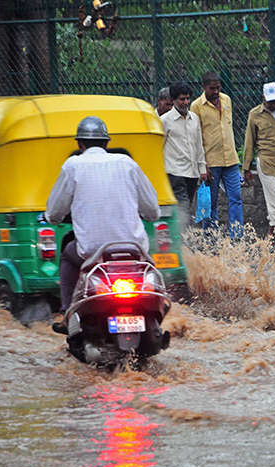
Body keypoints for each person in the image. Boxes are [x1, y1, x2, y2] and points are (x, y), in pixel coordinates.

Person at [45, 116, 160, 333]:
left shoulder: (73, 165)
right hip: (133, 252)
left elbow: (54, 213)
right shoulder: (127, 164)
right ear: (107, 143)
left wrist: (53, 217)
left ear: (80, 144)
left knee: (68, 255)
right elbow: (153, 210)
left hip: (91, 253)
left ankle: (67, 311)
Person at [242, 81, 275, 254]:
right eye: (271, 100)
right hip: (267, 163)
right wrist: (246, 168)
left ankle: (270, 236)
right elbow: (249, 142)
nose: (274, 104)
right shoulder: (255, 115)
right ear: (264, 98)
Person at [190, 71, 243, 239]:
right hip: (211, 162)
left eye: (218, 88)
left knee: (236, 198)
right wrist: (202, 164)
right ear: (204, 87)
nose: (216, 91)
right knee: (210, 202)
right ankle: (211, 237)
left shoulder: (226, 100)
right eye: (212, 88)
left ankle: (237, 236)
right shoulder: (196, 106)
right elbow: (196, 137)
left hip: (231, 159)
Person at [161, 81, 207, 223]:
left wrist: (202, 169)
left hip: (192, 173)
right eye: (182, 99)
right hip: (174, 172)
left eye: (188, 98)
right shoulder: (165, 120)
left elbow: (199, 145)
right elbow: (158, 147)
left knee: (185, 207)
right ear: (173, 100)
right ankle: (184, 240)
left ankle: (179, 237)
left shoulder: (194, 119)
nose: (186, 102)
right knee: (183, 207)